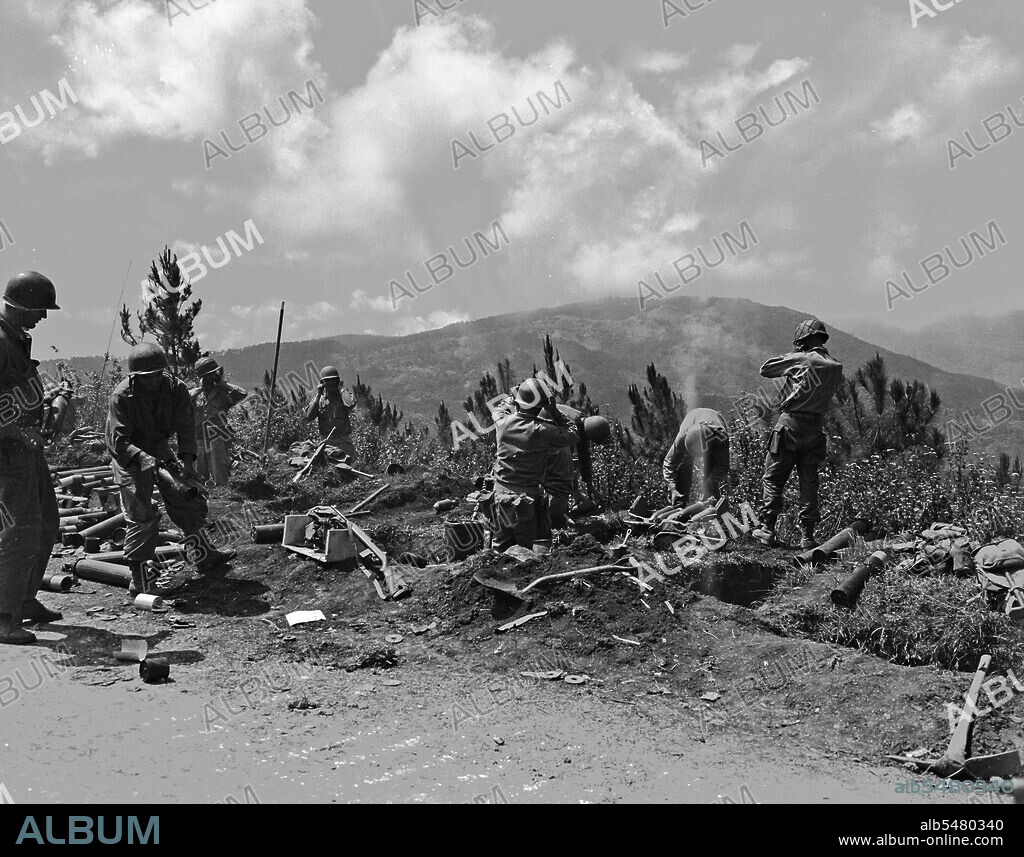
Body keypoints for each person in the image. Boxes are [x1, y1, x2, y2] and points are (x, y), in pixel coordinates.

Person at [106, 343, 235, 597]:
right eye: (147, 377)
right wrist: (143, 458)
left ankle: (203, 556)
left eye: (157, 374)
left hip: (159, 447)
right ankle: (140, 578)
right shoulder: (121, 396)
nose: (154, 381)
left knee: (186, 498)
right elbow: (118, 442)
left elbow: (186, 427)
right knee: (141, 514)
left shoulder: (176, 389)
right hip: (129, 456)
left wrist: (188, 463)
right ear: (135, 376)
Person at [0, 272, 62, 645]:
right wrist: (21, 432)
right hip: (8, 453)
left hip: (27, 450)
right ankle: (4, 616)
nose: (44, 316)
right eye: (40, 308)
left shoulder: (15, 341)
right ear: (22, 304)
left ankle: (24, 598)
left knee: (46, 523)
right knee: (16, 530)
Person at [752, 318, 843, 549]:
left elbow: (766, 369)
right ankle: (807, 537)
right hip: (815, 430)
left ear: (804, 339)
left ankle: (767, 529)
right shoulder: (835, 366)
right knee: (809, 484)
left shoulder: (801, 359)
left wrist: (794, 354)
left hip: (790, 424)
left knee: (773, 478)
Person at [491, 379, 578, 553]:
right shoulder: (542, 431)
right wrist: (553, 409)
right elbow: (573, 434)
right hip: (525, 501)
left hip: (500, 496)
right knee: (528, 551)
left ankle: (493, 575)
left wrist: (512, 396)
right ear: (542, 406)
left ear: (517, 402)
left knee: (500, 547)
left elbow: (497, 410)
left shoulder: (502, 423)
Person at [538, 411, 611, 548]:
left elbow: (584, 455)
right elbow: (564, 467)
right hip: (538, 445)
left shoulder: (581, 424)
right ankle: (554, 518)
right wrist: (574, 490)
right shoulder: (566, 428)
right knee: (555, 487)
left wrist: (589, 485)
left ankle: (559, 515)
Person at [191, 356, 247, 487]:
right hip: (199, 438)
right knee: (199, 475)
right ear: (201, 377)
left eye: (212, 375)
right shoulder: (195, 395)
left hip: (217, 437)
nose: (210, 378)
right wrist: (194, 392)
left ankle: (223, 497)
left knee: (220, 472)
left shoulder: (222, 393)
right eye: (207, 376)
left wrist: (223, 384)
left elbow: (242, 393)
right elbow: (182, 403)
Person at [662, 408, 730, 506]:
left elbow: (722, 466)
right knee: (683, 468)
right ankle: (679, 502)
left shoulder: (720, 436)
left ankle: (711, 503)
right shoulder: (681, 440)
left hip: (713, 427)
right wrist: (672, 487)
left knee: (710, 471)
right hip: (692, 418)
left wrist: (709, 484)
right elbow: (669, 463)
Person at [304, 366, 357, 464]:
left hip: (344, 443)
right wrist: (318, 394)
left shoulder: (343, 397)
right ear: (323, 383)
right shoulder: (319, 400)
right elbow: (309, 416)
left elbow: (350, 404)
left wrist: (341, 389)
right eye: (328, 381)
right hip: (327, 445)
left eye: (334, 381)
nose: (332, 384)